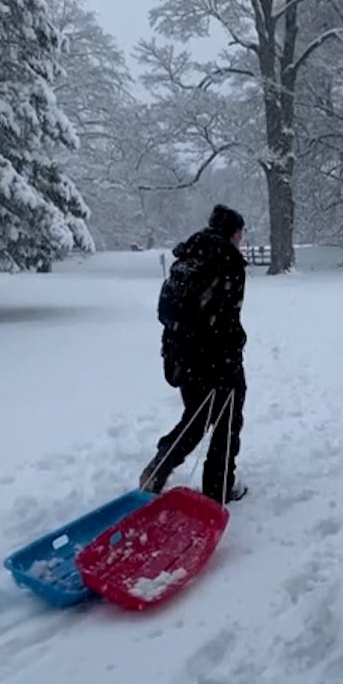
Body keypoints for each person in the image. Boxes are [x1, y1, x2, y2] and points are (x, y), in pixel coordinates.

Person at [140, 204, 250, 504]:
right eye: (240, 232)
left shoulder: (188, 257)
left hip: (180, 354)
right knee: (228, 420)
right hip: (214, 357)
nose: (241, 238)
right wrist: (234, 348)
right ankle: (219, 487)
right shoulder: (227, 262)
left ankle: (160, 465)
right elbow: (227, 317)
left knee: (197, 417)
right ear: (233, 232)